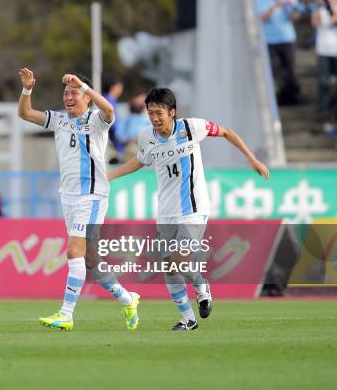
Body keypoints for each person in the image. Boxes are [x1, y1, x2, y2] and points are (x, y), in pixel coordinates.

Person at [109, 88, 269, 331]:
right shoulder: (145, 136)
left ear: (172, 112)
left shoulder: (191, 128)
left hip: (193, 208)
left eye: (159, 112)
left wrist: (251, 159)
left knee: (178, 260)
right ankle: (188, 319)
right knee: (169, 267)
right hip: (165, 211)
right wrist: (109, 176)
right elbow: (140, 161)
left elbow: (226, 132)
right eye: (150, 112)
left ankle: (202, 285)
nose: (154, 118)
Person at [17, 68, 140, 332]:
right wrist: (27, 89)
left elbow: (110, 110)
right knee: (91, 262)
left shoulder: (96, 119)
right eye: (66, 93)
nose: (69, 97)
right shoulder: (59, 121)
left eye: (75, 92)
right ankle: (128, 299)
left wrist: (83, 86)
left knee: (74, 250)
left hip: (93, 195)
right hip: (69, 197)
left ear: (86, 97)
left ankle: (66, 314)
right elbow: (25, 113)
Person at [256, 0, 302, 105]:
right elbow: (260, 18)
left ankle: (292, 97)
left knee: (290, 69)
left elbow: (295, 16)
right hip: (269, 40)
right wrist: (274, 7)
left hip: (287, 38)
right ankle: (275, 97)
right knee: (273, 70)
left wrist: (291, 11)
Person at [311, 0, 337, 135]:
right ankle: (324, 112)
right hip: (324, 49)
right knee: (323, 82)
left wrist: (331, 5)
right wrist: (318, 6)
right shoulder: (320, 5)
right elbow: (314, 23)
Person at [102, 77, 126, 162]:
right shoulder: (108, 100)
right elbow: (114, 126)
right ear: (113, 87)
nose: (121, 90)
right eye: (120, 87)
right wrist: (123, 138)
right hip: (112, 142)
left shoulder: (111, 100)